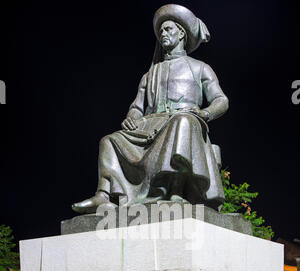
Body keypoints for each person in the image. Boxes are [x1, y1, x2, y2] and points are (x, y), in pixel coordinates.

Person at [72, 4, 229, 214]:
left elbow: (221, 100)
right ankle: (104, 195)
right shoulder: (150, 74)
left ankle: (172, 190)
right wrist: (131, 117)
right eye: (161, 30)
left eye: (168, 29)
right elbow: (137, 107)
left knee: (182, 121)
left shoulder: (200, 68)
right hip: (150, 126)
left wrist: (205, 113)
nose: (163, 34)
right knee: (109, 140)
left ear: (181, 33)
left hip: (185, 121)